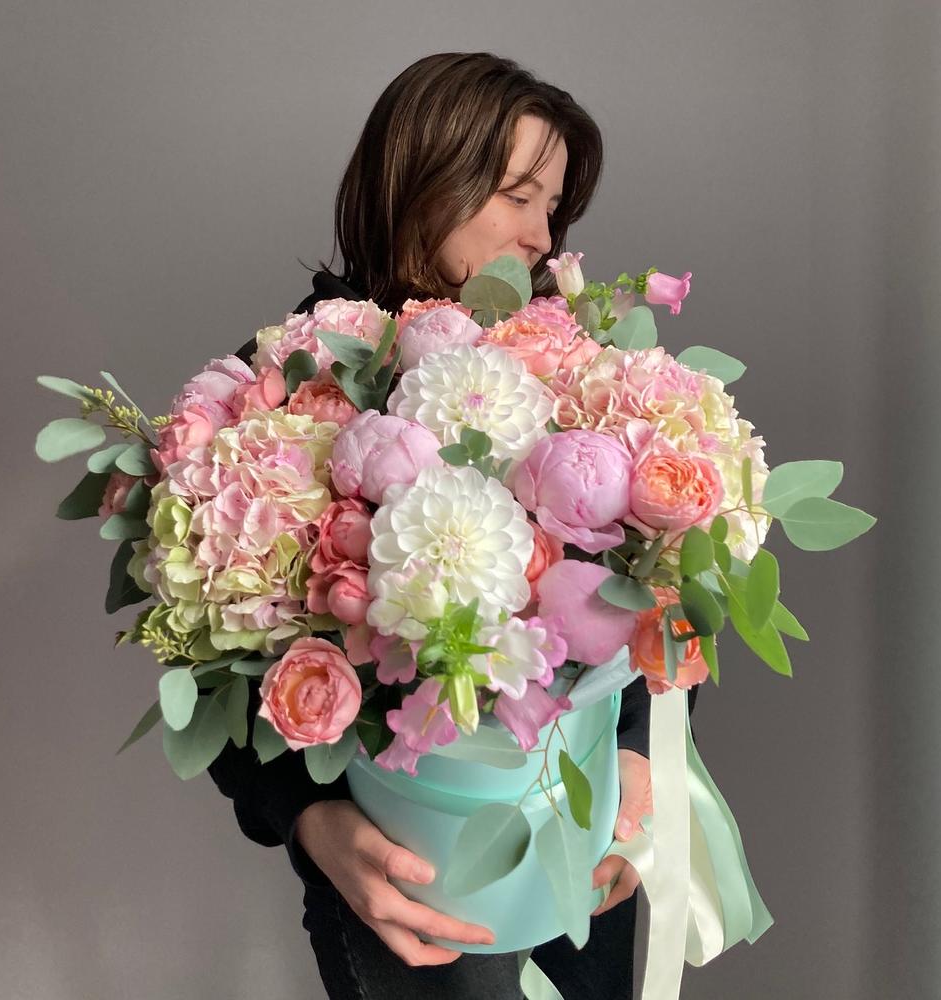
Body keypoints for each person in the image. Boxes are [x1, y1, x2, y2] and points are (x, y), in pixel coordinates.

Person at [208, 51, 701, 1000]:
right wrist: (309, 821)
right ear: (424, 179)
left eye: (553, 207)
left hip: (581, 844)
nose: (542, 235)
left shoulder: (576, 371)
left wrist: (641, 762)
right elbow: (213, 650)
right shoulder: (283, 387)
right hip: (404, 881)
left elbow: (657, 589)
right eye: (518, 196)